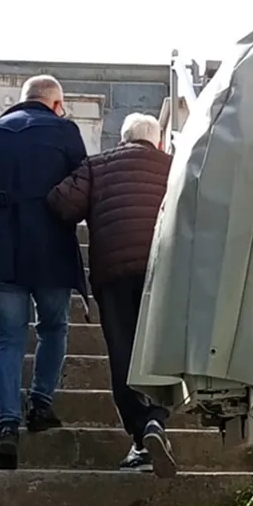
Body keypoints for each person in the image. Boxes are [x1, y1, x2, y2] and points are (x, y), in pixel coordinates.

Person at [0, 75, 89, 471]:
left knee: (8, 338)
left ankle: (8, 426)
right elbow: (81, 190)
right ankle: (41, 404)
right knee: (53, 327)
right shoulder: (65, 132)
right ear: (56, 102)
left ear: (22, 100)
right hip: (50, 249)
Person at [47, 113, 176, 478]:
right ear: (160, 142)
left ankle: (141, 433)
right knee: (160, 350)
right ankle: (156, 421)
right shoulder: (175, 167)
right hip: (163, 271)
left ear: (122, 140)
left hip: (114, 274)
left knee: (123, 352)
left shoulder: (97, 165)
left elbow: (61, 203)